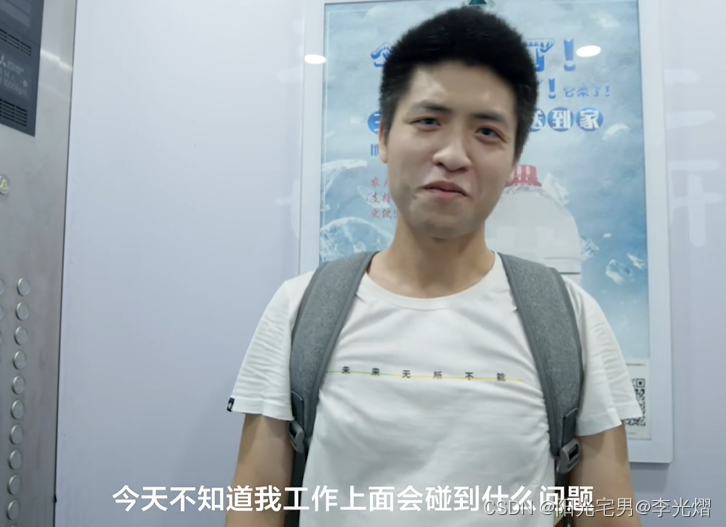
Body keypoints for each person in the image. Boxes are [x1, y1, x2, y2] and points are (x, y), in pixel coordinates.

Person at [224, 6, 643, 527]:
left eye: (487, 131)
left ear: (514, 162)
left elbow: (607, 513)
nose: (453, 154)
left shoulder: (571, 318)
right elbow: (256, 503)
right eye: (428, 121)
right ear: (383, 137)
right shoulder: (300, 310)